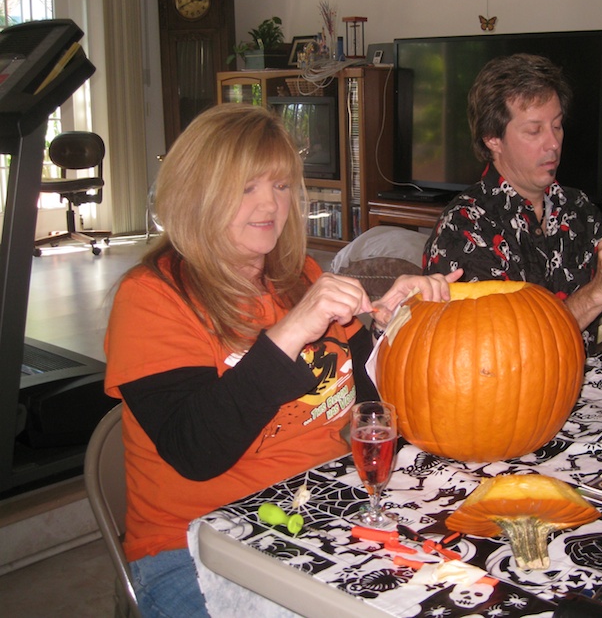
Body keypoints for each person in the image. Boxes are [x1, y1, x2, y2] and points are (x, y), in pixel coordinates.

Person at [104, 104, 460, 617]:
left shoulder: (301, 277)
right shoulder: (151, 298)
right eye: (246, 186)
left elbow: (373, 403)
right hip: (195, 547)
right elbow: (196, 451)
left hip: (315, 517)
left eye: (280, 185)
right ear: (195, 193)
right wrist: (290, 331)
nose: (269, 203)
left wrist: (396, 325)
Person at [423, 53, 602, 349]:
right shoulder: (464, 227)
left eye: (557, 125)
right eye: (535, 130)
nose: (554, 143)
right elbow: (502, 354)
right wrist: (597, 292)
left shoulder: (576, 207)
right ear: (492, 139)